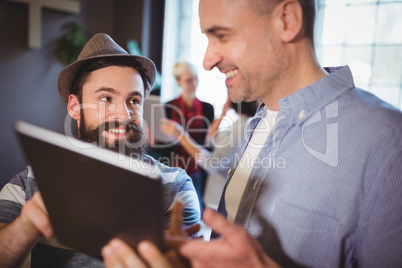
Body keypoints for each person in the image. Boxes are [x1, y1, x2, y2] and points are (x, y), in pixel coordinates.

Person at [100, 0, 402, 267]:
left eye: (221, 35)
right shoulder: (259, 121)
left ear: (286, 20)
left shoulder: (388, 141)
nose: (208, 61)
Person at [0, 33, 200, 267]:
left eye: (134, 100)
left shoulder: (175, 186)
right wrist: (25, 227)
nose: (124, 115)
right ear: (75, 107)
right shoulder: (30, 183)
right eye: (106, 98)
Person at [161, 97, 259, 209]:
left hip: (221, 199)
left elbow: (212, 163)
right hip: (215, 197)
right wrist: (223, 113)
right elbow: (210, 139)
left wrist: (181, 136)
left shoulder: (244, 125)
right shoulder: (238, 123)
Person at [164, 61, 215, 211]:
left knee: (194, 210)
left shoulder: (207, 108)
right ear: (178, 82)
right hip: (173, 164)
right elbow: (165, 141)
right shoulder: (168, 106)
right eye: (188, 80)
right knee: (170, 209)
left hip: (197, 166)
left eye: (195, 78)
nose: (194, 83)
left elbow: (207, 142)